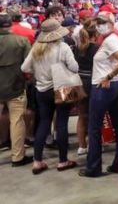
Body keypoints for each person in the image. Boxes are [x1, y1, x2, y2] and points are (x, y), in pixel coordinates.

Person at [21, 19, 79, 174]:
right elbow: (74, 67)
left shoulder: (36, 48)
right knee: (61, 123)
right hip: (62, 88)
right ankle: (62, 160)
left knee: (44, 123)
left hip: (41, 89)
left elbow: (24, 67)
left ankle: (37, 161)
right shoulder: (63, 47)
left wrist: (39, 73)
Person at [79, 11, 118, 178]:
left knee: (94, 127)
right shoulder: (110, 39)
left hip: (104, 87)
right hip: (113, 86)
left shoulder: (110, 41)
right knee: (117, 125)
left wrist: (108, 76)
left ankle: (93, 167)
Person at [0, 13, 32, 167]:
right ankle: (17, 157)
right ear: (10, 24)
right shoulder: (21, 41)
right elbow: (28, 65)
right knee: (17, 121)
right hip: (15, 86)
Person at [73, 18, 99, 156]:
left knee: (81, 116)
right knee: (94, 116)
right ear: (96, 34)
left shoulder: (76, 48)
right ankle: (93, 146)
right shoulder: (96, 49)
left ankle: (82, 146)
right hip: (92, 83)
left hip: (79, 83)